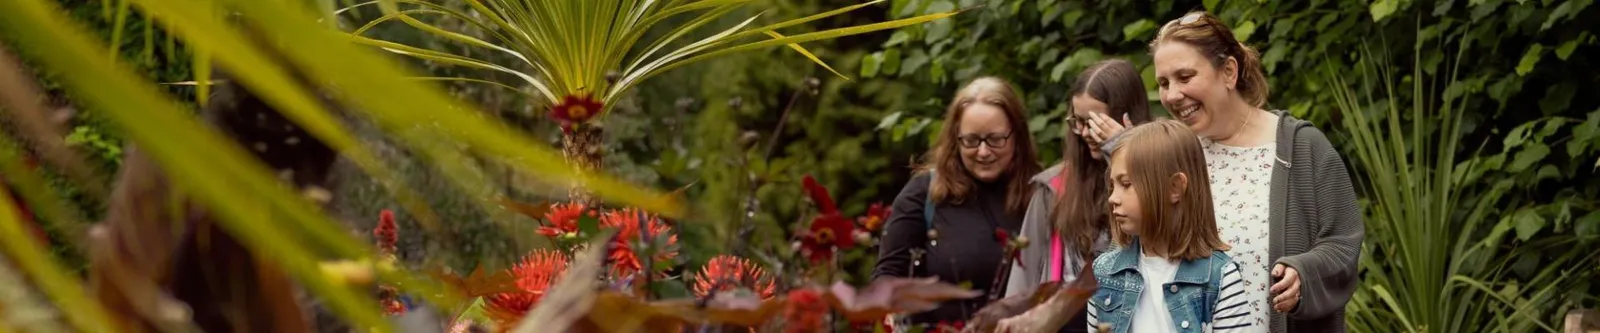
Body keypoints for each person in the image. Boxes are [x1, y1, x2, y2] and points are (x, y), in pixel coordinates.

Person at [1148, 11, 1363, 332]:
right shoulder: (1171, 157)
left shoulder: (1300, 147)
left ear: (1229, 72)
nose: (1172, 95)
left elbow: (1343, 244)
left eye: (1185, 76)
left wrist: (1302, 274)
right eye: (1164, 83)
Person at [965, 59, 1154, 333]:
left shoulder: (1158, 183)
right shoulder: (1053, 188)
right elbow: (1022, 288)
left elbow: (1147, 245)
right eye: (1078, 122)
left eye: (1096, 122)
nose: (1086, 133)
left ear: (1128, 117)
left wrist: (1123, 151)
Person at [874, 76, 1043, 329]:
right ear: (955, 138)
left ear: (1017, 136)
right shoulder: (924, 194)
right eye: (971, 140)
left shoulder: (1040, 197)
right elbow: (887, 276)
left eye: (996, 139)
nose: (983, 152)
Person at [1079, 119, 1254, 332]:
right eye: (1112, 186)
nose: (1113, 198)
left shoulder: (1219, 278)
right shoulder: (1103, 273)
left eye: (1126, 185)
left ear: (1174, 188)